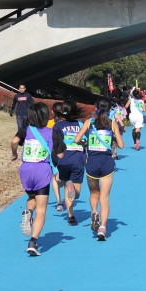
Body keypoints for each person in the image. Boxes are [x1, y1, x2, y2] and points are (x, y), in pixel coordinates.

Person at [74, 97, 124, 241]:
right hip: (107, 163)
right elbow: (121, 145)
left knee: (94, 193)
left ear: (96, 108)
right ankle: (102, 227)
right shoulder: (113, 123)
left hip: (92, 163)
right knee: (105, 197)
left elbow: (77, 140)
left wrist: (86, 142)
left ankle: (94, 211)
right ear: (110, 110)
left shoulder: (89, 123)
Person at [18, 102, 64, 256]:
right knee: (42, 210)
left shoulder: (25, 130)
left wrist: (13, 152)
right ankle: (33, 242)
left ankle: (28, 211)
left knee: (32, 197)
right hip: (42, 172)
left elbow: (14, 141)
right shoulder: (53, 133)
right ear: (46, 116)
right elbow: (60, 155)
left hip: (25, 170)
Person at [52, 100, 86, 225]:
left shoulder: (57, 126)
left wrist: (56, 163)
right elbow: (86, 141)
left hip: (63, 161)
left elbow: (55, 146)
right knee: (76, 194)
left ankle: (71, 215)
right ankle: (73, 188)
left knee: (67, 188)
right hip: (77, 160)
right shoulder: (81, 124)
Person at [48, 102, 64, 211]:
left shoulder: (48, 124)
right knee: (65, 178)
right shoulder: (67, 124)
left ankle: (59, 202)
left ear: (53, 111)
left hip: (52, 153)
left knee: (54, 177)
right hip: (65, 153)